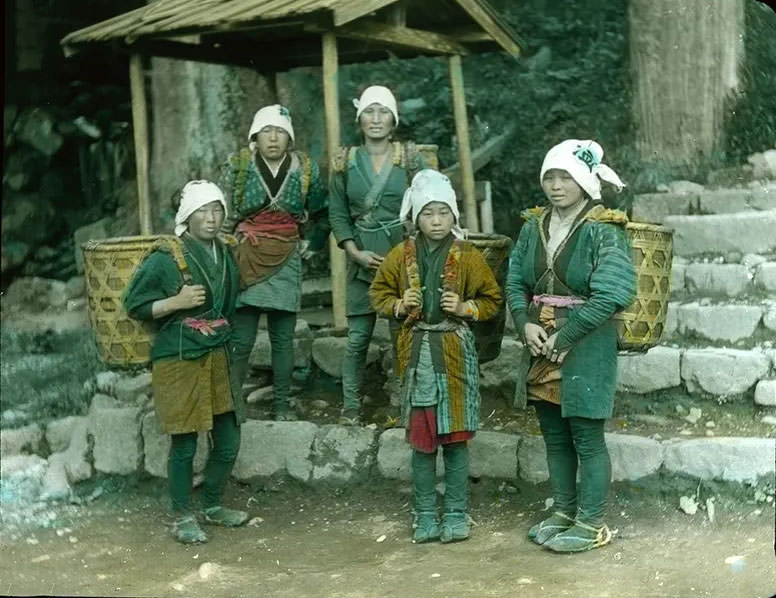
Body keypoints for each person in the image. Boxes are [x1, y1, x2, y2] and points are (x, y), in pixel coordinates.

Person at [505, 139, 637, 553]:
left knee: (585, 435)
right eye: (550, 177)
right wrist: (524, 323)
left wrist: (568, 335)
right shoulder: (533, 227)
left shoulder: (604, 229)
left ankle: (592, 522)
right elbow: (515, 282)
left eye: (566, 177)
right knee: (554, 435)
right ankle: (563, 511)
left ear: (584, 181)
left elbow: (613, 294)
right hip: (541, 340)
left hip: (586, 340)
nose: (556, 185)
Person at [370, 169, 502, 543]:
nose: (437, 221)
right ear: (414, 217)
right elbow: (378, 294)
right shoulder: (400, 256)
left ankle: (457, 514)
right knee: (423, 442)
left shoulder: (469, 256)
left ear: (454, 216)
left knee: (456, 440)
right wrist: (398, 304)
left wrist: (464, 307)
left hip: (454, 357)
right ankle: (424, 514)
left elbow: (492, 299)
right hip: (418, 358)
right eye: (428, 213)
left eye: (444, 213)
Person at [123, 180, 248, 544]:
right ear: (187, 216)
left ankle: (211, 504)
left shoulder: (225, 253)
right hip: (178, 355)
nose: (211, 219)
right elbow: (134, 304)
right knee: (185, 442)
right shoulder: (166, 256)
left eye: (217, 211)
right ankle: (181, 515)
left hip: (217, 350)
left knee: (227, 437)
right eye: (202, 211)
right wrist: (176, 302)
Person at [328, 85, 432, 425]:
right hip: (361, 257)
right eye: (369, 112)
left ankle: (406, 407)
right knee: (357, 339)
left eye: (382, 112)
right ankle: (350, 408)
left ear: (393, 119)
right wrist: (353, 251)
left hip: (401, 256)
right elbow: (338, 212)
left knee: (402, 334)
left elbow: (427, 205)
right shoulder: (345, 161)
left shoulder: (410, 158)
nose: (375, 119)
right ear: (359, 120)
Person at [220, 104, 328, 421]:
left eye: (280, 132)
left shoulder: (306, 170)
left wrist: (315, 241)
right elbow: (221, 214)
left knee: (283, 339)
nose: (273, 138)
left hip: (286, 255)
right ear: (255, 136)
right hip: (246, 255)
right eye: (266, 131)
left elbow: (322, 213)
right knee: (241, 339)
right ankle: (233, 407)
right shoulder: (238, 168)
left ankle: (281, 404)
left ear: (289, 138)